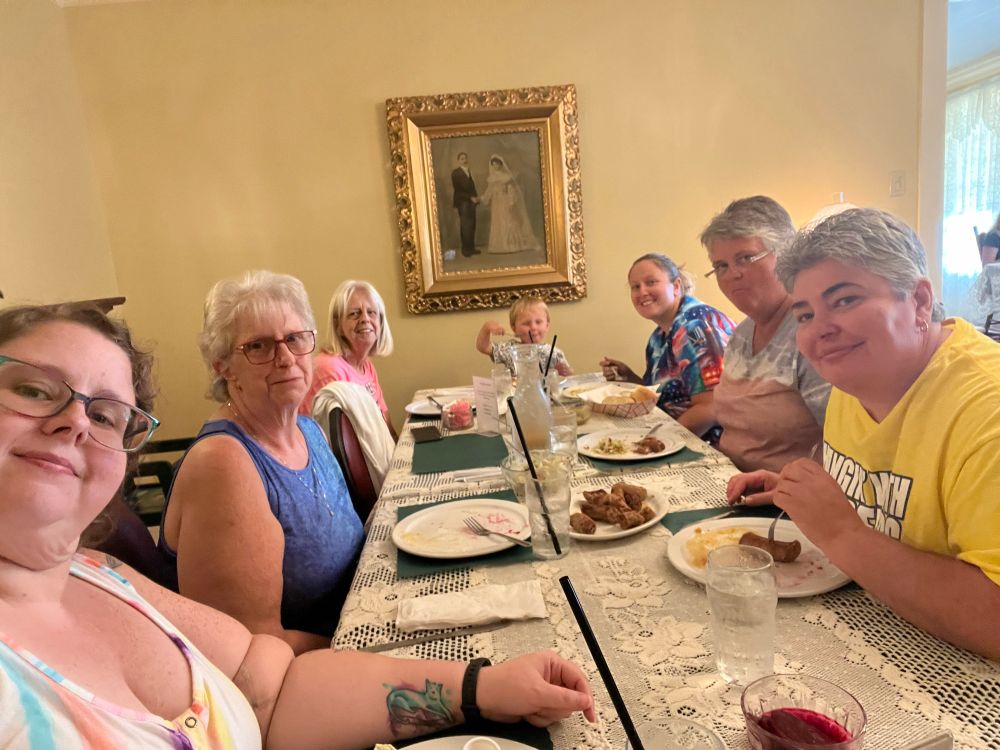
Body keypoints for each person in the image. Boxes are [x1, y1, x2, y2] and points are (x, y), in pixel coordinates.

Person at [0, 303, 596, 748]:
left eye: (105, 413)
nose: (75, 422)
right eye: (33, 390)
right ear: (223, 368)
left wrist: (482, 688)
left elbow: (277, 691)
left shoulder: (99, 575)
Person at [727, 208, 1000, 659]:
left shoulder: (985, 409)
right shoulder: (854, 382)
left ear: (920, 302)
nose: (821, 330)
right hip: (879, 635)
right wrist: (807, 494)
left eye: (845, 300)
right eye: (806, 314)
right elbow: (895, 503)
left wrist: (841, 533)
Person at [159, 271, 364, 654]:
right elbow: (253, 647)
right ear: (223, 366)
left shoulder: (308, 431)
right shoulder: (223, 465)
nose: (286, 358)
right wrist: (364, 648)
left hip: (355, 627)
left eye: (296, 339)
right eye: (258, 346)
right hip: (302, 677)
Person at [700, 196, 831, 471]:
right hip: (729, 482)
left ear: (785, 255)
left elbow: (844, 445)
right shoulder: (741, 334)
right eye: (721, 265)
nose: (732, 274)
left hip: (781, 502)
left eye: (745, 258)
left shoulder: (812, 334)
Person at [601, 254, 734, 438]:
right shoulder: (658, 337)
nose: (642, 292)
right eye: (635, 286)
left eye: (651, 282)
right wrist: (629, 377)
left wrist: (657, 441)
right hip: (675, 432)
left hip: (712, 442)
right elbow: (663, 397)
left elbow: (711, 407)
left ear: (677, 286)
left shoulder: (694, 326)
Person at [300, 279, 397, 440]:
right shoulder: (329, 370)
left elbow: (385, 420)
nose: (365, 319)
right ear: (338, 325)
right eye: (354, 314)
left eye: (371, 312)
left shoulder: (366, 366)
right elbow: (344, 446)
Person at [476, 296, 572, 376]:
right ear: (514, 327)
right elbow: (483, 347)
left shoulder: (555, 353)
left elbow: (569, 380)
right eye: (526, 323)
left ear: (547, 325)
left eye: (538, 322)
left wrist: (566, 372)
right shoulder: (509, 349)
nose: (533, 327)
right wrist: (487, 327)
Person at [480, 154, 540, 255]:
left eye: (497, 164)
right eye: (493, 165)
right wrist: (483, 199)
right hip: (496, 203)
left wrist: (511, 201)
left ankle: (512, 245)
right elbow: (489, 191)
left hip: (504, 200)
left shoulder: (507, 177)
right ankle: (499, 246)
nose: (495, 166)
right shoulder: (491, 178)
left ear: (500, 165)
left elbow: (511, 190)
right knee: (498, 222)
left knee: (509, 221)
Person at [452, 152, 480, 257]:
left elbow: (472, 187)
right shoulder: (456, 173)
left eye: (465, 158)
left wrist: (476, 197)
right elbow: (458, 189)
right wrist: (470, 197)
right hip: (463, 202)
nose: (464, 160)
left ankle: (471, 248)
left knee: (472, 225)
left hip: (471, 202)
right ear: (459, 160)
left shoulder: (469, 171)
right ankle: (465, 250)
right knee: (465, 226)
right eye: (462, 159)